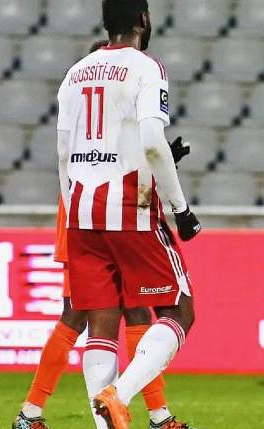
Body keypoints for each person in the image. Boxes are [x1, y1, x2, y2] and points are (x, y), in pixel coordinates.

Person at [13, 39, 194, 429]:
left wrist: (163, 159)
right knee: (81, 316)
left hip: (87, 211)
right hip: (97, 216)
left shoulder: (84, 94)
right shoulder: (122, 89)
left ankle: (154, 415)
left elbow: (90, 152)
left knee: (123, 311)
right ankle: (31, 412)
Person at [56, 1, 200, 428]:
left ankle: (105, 423)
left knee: (100, 322)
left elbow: (64, 151)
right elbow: (153, 142)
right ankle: (118, 395)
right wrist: (180, 209)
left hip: (80, 210)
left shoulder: (75, 72)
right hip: (128, 209)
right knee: (179, 311)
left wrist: (74, 201)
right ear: (143, 20)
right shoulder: (146, 67)